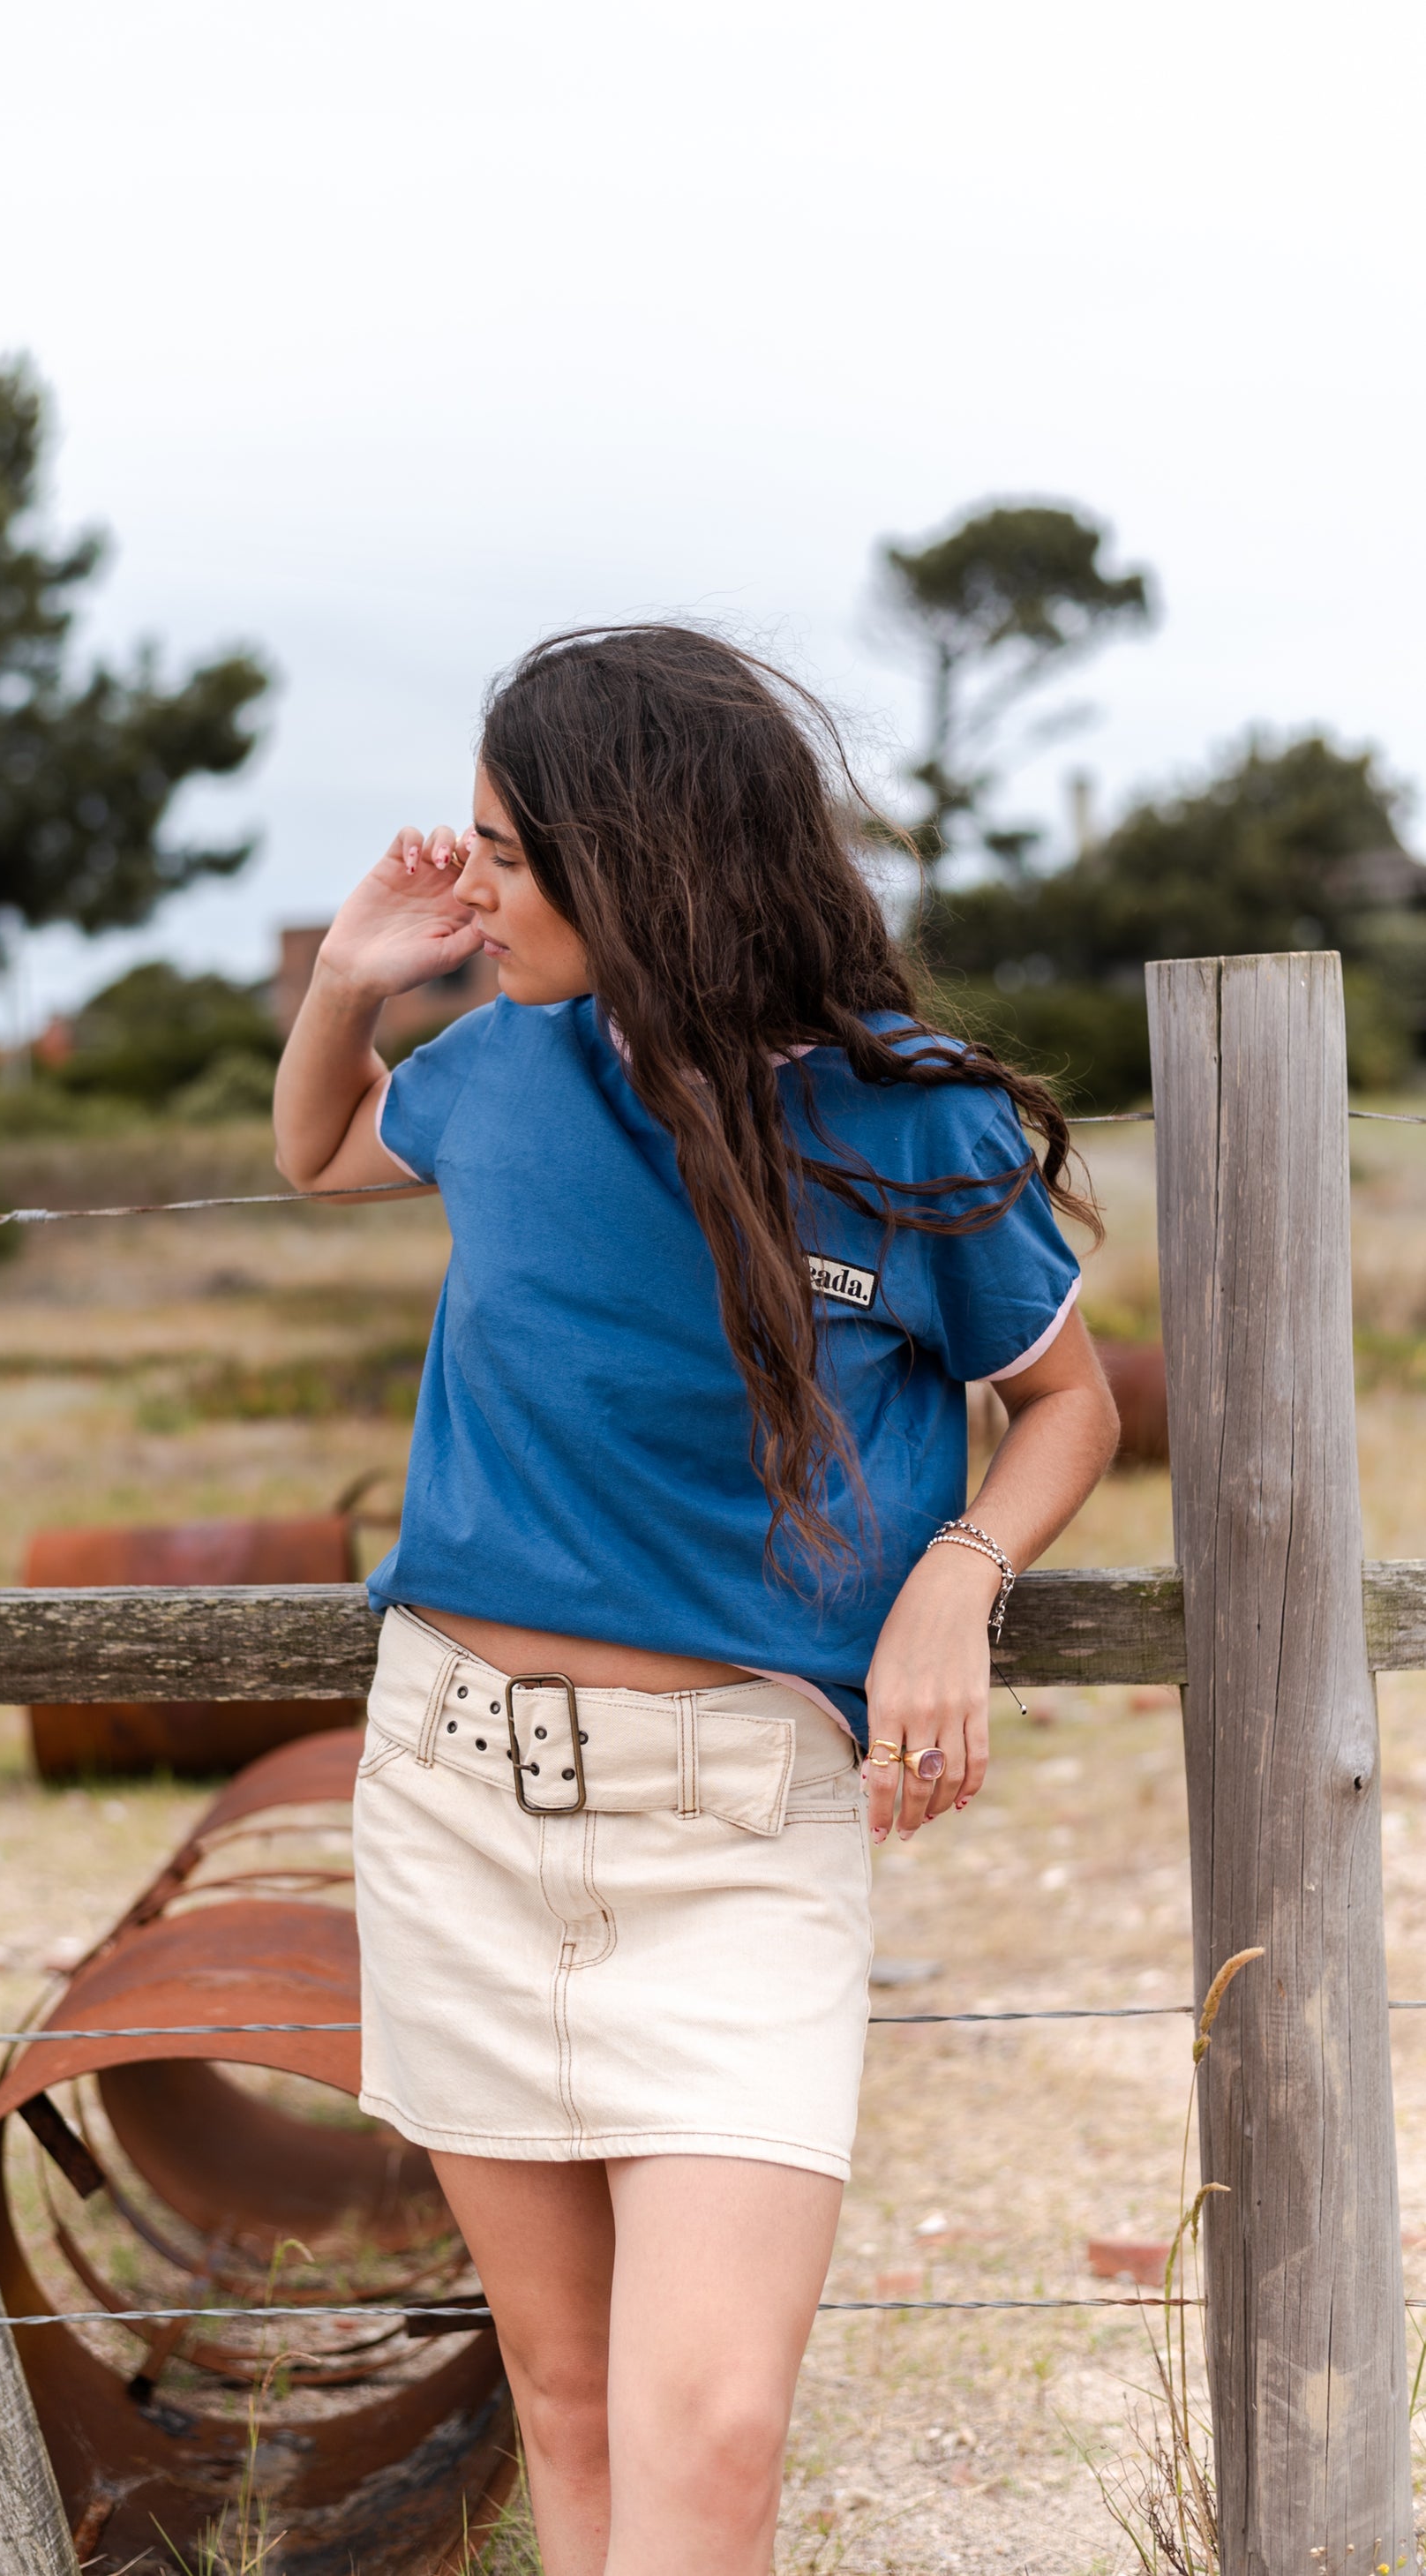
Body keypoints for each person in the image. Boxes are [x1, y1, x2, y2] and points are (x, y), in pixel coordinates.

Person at [273, 625, 1118, 2576]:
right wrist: (345, 979)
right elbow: (314, 1148)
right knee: (566, 2405)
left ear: (637, 863)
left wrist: (957, 1578)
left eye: (505, 853)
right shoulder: (503, 1068)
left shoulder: (910, 1117)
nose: (473, 889)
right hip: (452, 1800)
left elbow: (1065, 1403)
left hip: (739, 1837)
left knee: (712, 2426)